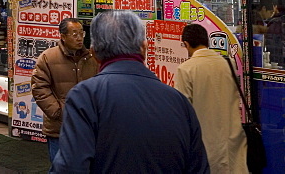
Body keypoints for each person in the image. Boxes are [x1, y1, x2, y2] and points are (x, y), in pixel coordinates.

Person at [51, 11, 208, 173]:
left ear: (94, 52)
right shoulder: (178, 101)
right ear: (144, 47)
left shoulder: (85, 97)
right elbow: (199, 167)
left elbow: (70, 167)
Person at [174, 23, 248, 174]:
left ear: (186, 44)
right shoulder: (228, 63)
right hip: (234, 140)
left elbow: (182, 112)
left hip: (206, 144)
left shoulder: (186, 69)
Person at [31, 17, 99, 164]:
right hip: (59, 127)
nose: (79, 38)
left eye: (82, 33)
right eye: (74, 34)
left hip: (87, 126)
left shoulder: (92, 59)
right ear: (62, 36)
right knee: (60, 166)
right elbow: (39, 87)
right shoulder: (48, 57)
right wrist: (58, 112)